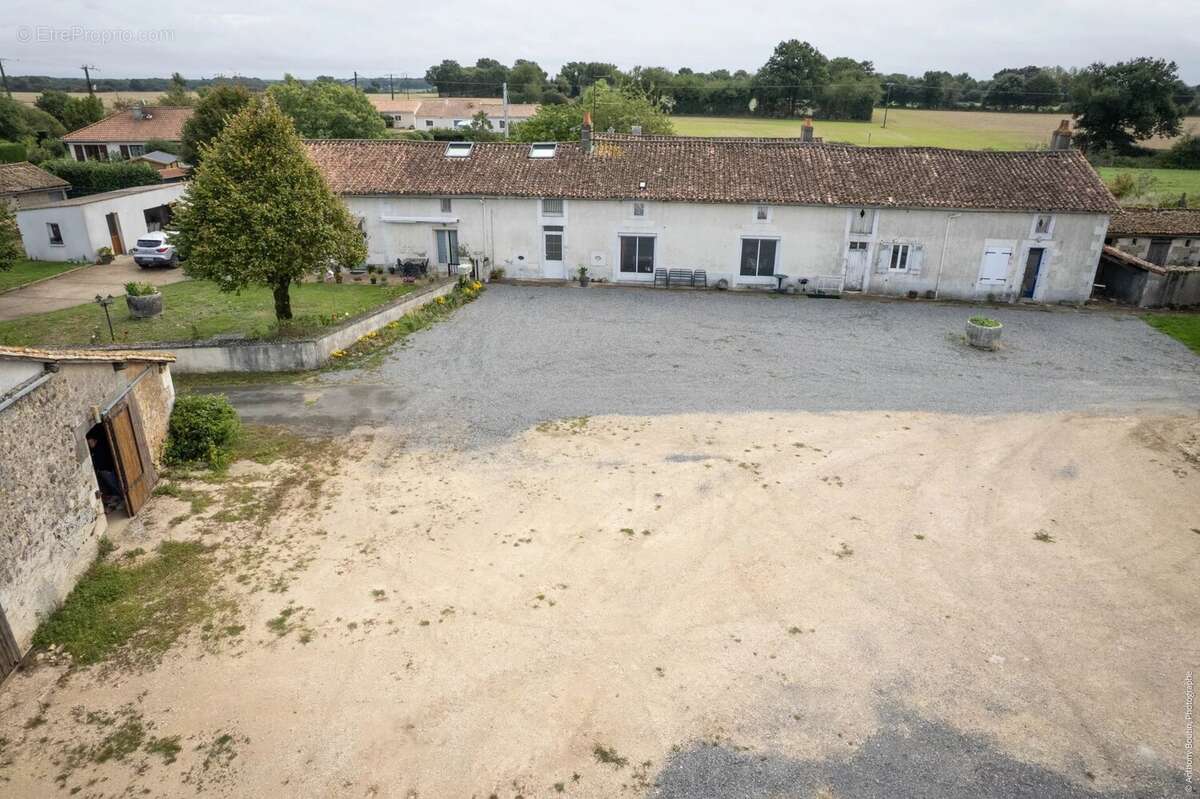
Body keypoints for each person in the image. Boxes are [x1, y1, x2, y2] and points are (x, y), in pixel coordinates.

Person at [87, 433, 123, 511]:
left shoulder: (100, 448)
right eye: (89, 443)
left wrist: (100, 469)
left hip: (107, 470)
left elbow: (102, 460)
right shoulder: (95, 449)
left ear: (94, 440)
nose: (90, 445)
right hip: (104, 471)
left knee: (114, 486)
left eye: (90, 443)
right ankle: (117, 500)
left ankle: (122, 500)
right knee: (111, 486)